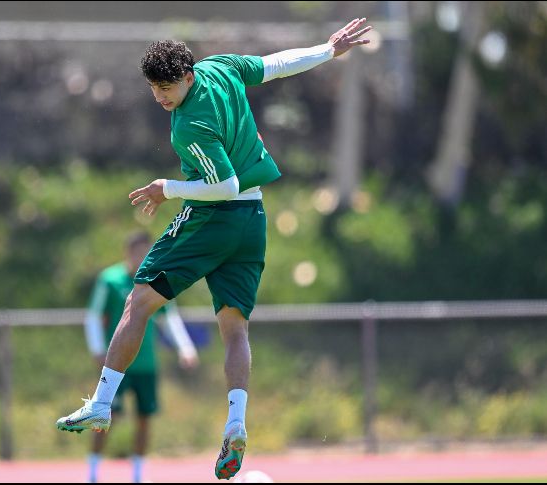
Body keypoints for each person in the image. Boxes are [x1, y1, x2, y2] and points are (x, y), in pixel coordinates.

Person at [58, 18, 373, 480]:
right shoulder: (221, 67)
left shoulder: (188, 126)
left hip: (217, 218)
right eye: (153, 89)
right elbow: (276, 65)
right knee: (234, 328)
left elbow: (222, 185)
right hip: (254, 220)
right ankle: (236, 425)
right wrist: (328, 50)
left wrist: (168, 188)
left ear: (187, 76)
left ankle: (102, 403)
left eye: (167, 87)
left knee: (139, 300)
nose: (161, 97)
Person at [81, 231, 199, 483]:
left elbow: (169, 317)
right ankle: (92, 471)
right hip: (117, 366)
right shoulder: (110, 279)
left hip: (146, 364)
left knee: (145, 418)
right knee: (105, 416)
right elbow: (93, 316)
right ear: (128, 252)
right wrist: (97, 350)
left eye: (147, 251)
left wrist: (185, 348)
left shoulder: (157, 280)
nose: (143, 256)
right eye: (138, 251)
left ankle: (137, 474)